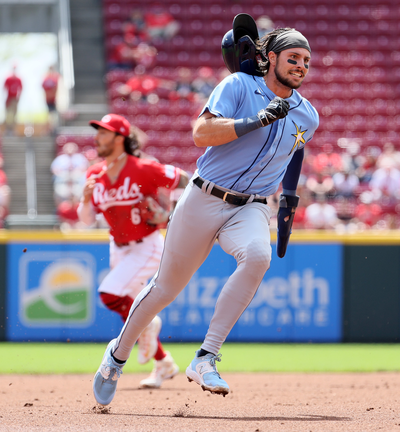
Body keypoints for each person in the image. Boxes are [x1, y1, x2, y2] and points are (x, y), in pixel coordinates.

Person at [91, 22, 318, 405]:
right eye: (293, 57)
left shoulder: (308, 114)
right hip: (203, 197)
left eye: (307, 61)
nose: (301, 65)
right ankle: (116, 356)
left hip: (252, 206)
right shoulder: (239, 87)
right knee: (165, 289)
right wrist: (257, 119)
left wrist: (290, 199)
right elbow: (201, 132)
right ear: (272, 57)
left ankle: (206, 356)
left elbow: (296, 150)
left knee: (258, 257)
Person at [78, 113, 191, 389]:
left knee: (110, 293)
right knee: (131, 308)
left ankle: (149, 326)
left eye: (104, 133)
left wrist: (168, 211)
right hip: (118, 246)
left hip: (147, 245)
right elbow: (86, 219)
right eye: (98, 132)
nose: (97, 138)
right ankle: (163, 363)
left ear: (120, 138)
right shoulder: (95, 174)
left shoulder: (143, 168)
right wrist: (84, 198)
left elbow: (186, 180)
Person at [3, 66, 23, 135]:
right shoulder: (8, 79)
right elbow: (4, 88)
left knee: (14, 115)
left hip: (15, 99)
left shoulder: (18, 79)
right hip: (9, 98)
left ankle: (12, 130)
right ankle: (7, 129)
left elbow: (21, 89)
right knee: (8, 115)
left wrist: (18, 98)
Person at [42, 66, 60, 133]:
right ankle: (50, 128)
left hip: (55, 99)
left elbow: (57, 88)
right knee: (50, 115)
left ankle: (53, 128)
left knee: (54, 115)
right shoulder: (46, 78)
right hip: (49, 100)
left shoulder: (56, 77)